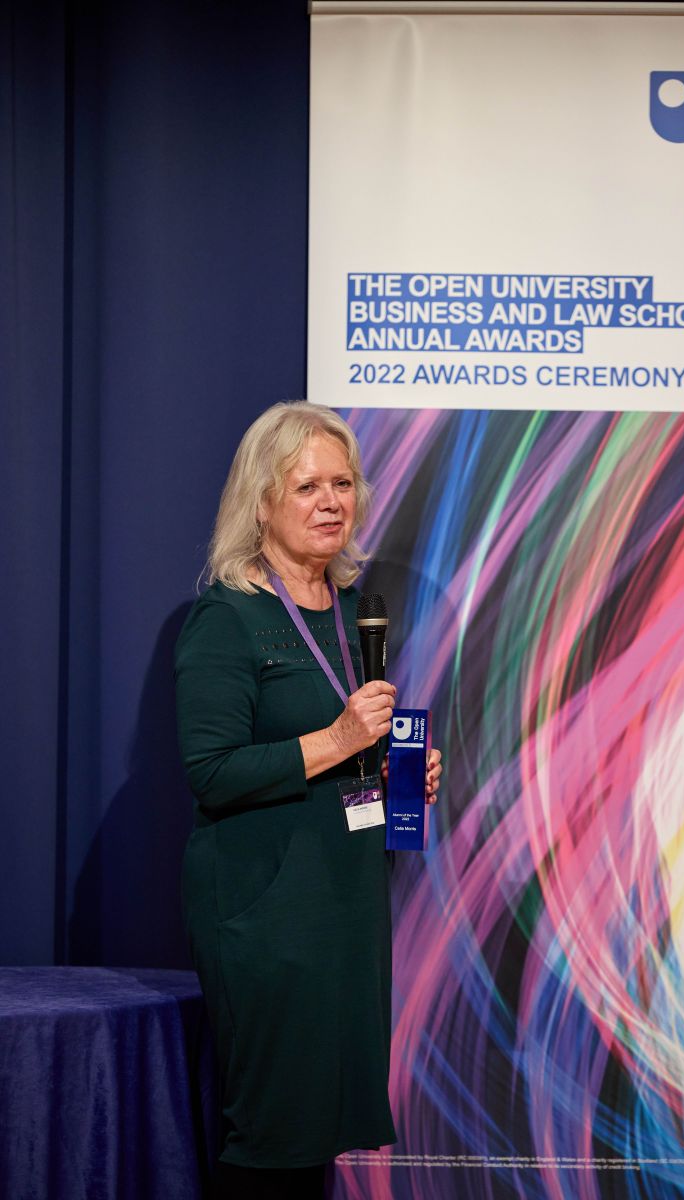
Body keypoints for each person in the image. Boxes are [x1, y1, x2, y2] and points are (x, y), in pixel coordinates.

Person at [175, 401, 442, 1200]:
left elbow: (353, 740)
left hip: (345, 904)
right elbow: (212, 771)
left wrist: (401, 770)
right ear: (261, 501)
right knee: (273, 1135)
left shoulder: (354, 608)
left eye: (343, 482)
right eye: (306, 487)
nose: (332, 501)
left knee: (320, 1132)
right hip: (267, 913)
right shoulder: (227, 617)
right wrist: (339, 739)